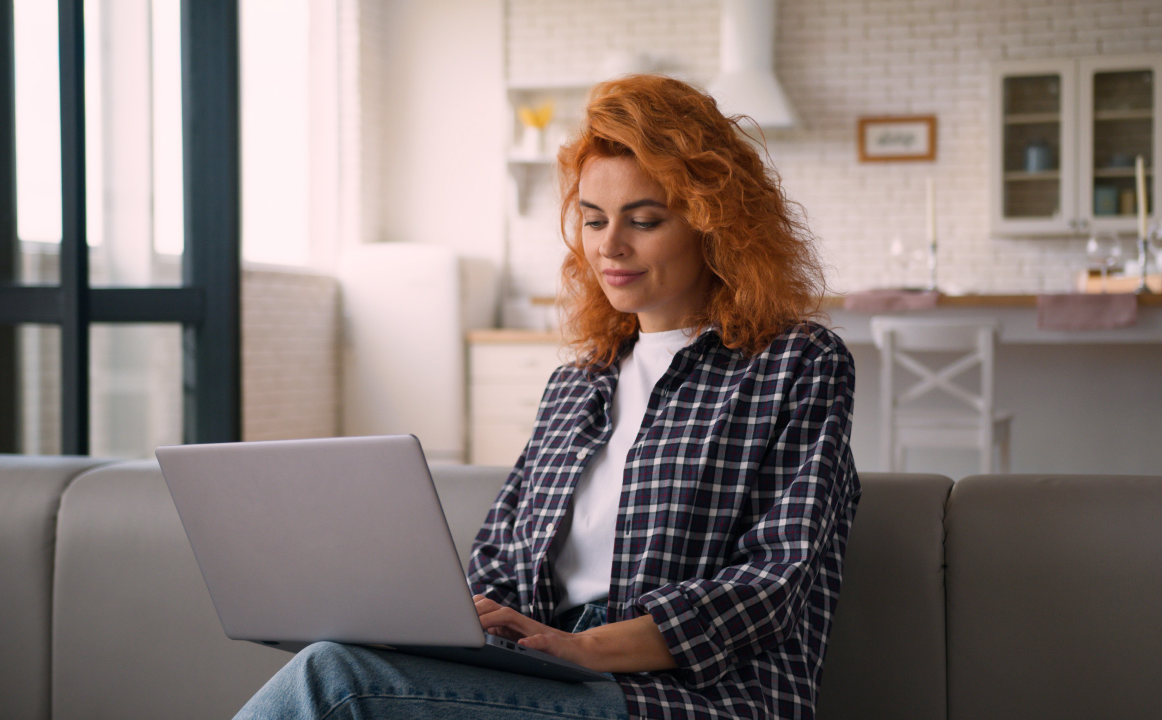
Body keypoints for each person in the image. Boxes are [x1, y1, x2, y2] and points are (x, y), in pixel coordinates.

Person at [236, 74, 860, 720]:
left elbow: (770, 586)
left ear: (713, 223)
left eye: (643, 220)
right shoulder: (578, 384)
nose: (609, 246)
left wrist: (584, 648)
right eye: (593, 220)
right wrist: (471, 622)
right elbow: (500, 558)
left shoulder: (798, 364)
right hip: (548, 677)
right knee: (337, 653)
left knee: (335, 682)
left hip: (689, 698)